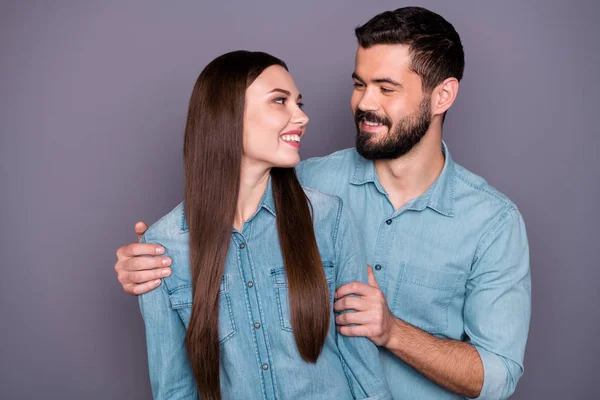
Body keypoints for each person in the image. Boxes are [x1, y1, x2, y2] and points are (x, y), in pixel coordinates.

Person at [116, 7, 531, 400]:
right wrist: (146, 262)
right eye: (358, 84)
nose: (365, 103)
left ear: (442, 96)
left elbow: (498, 373)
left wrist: (392, 332)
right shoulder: (302, 185)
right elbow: (225, 200)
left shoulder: (492, 222)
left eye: (386, 88)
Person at [136, 50, 391, 400]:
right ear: (228, 115)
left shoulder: (329, 218)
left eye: (298, 103)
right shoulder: (161, 249)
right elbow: (174, 389)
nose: (301, 116)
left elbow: (363, 370)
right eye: (280, 101)